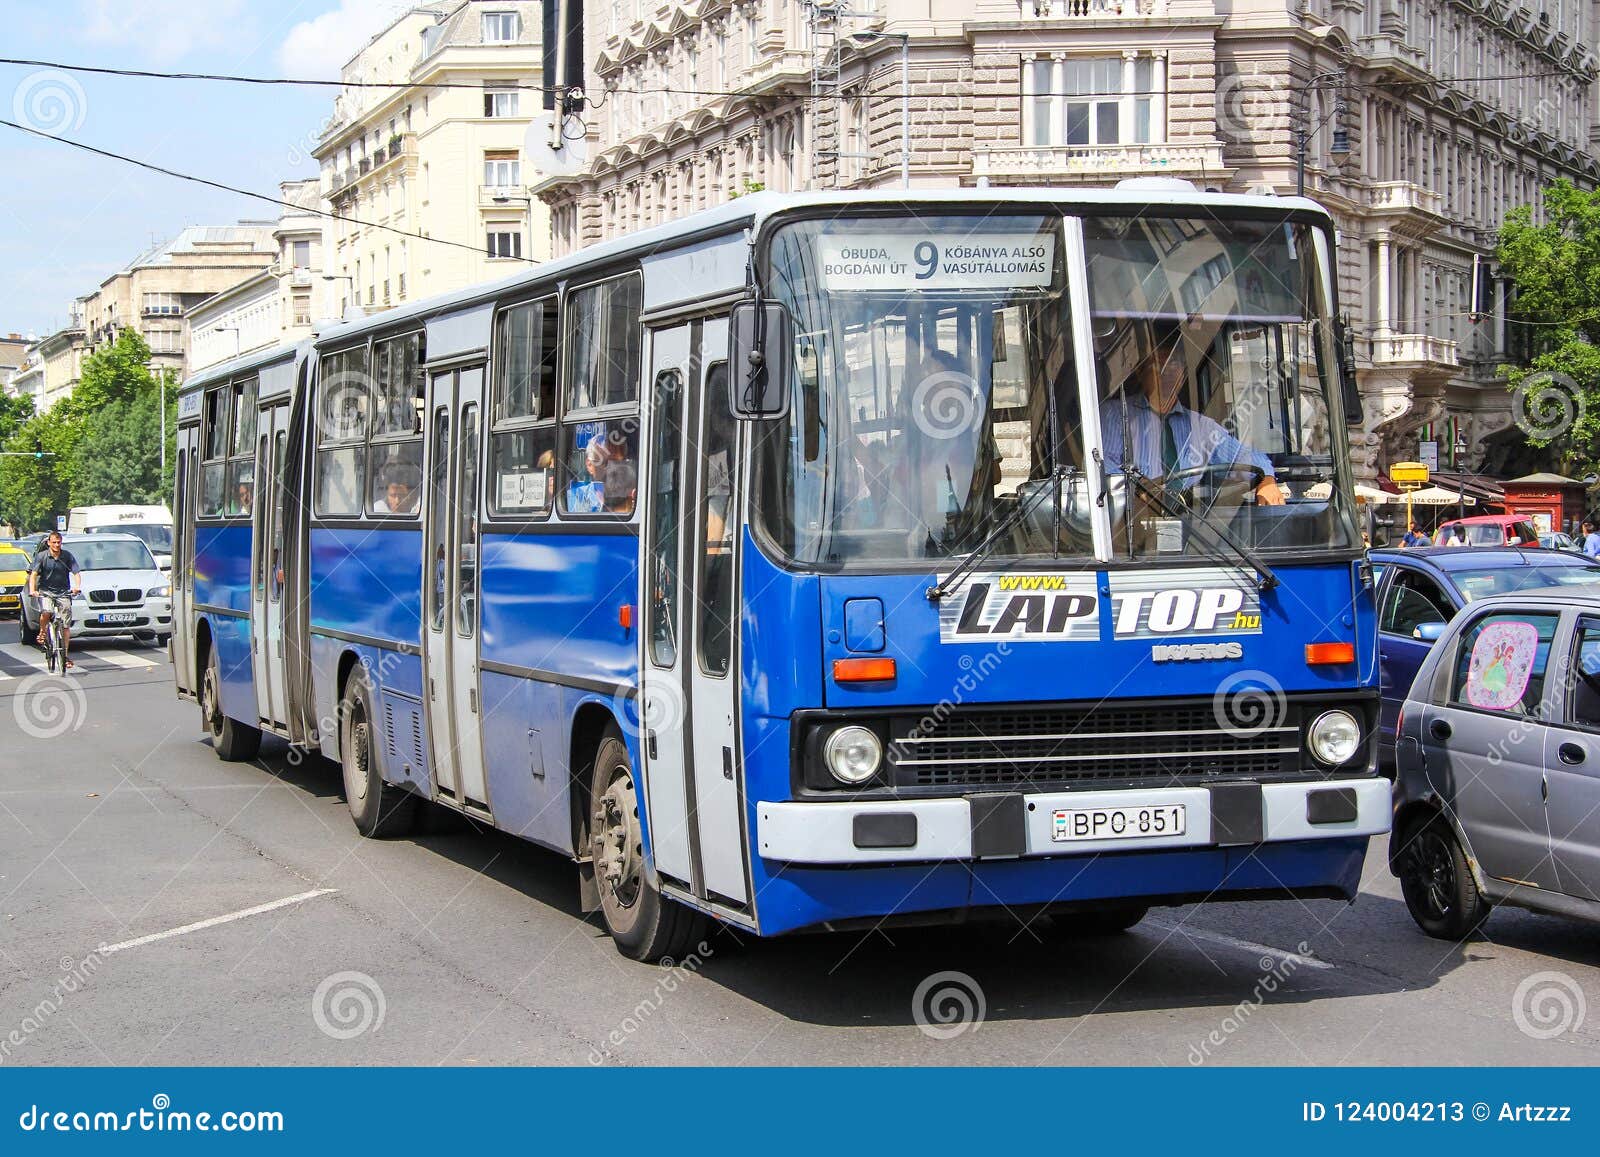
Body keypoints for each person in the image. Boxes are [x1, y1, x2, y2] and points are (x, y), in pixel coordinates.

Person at [1099, 330, 1286, 506]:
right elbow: (1102, 465)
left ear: (1182, 374)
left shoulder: (1201, 426)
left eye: (1175, 364)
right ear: (1140, 373)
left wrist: (1267, 480)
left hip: (1190, 522)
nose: (1167, 371)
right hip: (1131, 527)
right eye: (1158, 364)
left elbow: (1245, 457)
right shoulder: (1115, 414)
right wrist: (1139, 488)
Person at [28, 530, 80, 670]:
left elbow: (76, 573)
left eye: (59, 542)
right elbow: (33, 575)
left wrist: (77, 587)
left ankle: (65, 655)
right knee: (46, 611)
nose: (57, 545)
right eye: (54, 542)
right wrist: (33, 590)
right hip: (46, 592)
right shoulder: (42, 556)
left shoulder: (67, 556)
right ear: (49, 543)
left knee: (65, 625)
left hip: (63, 592)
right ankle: (43, 632)